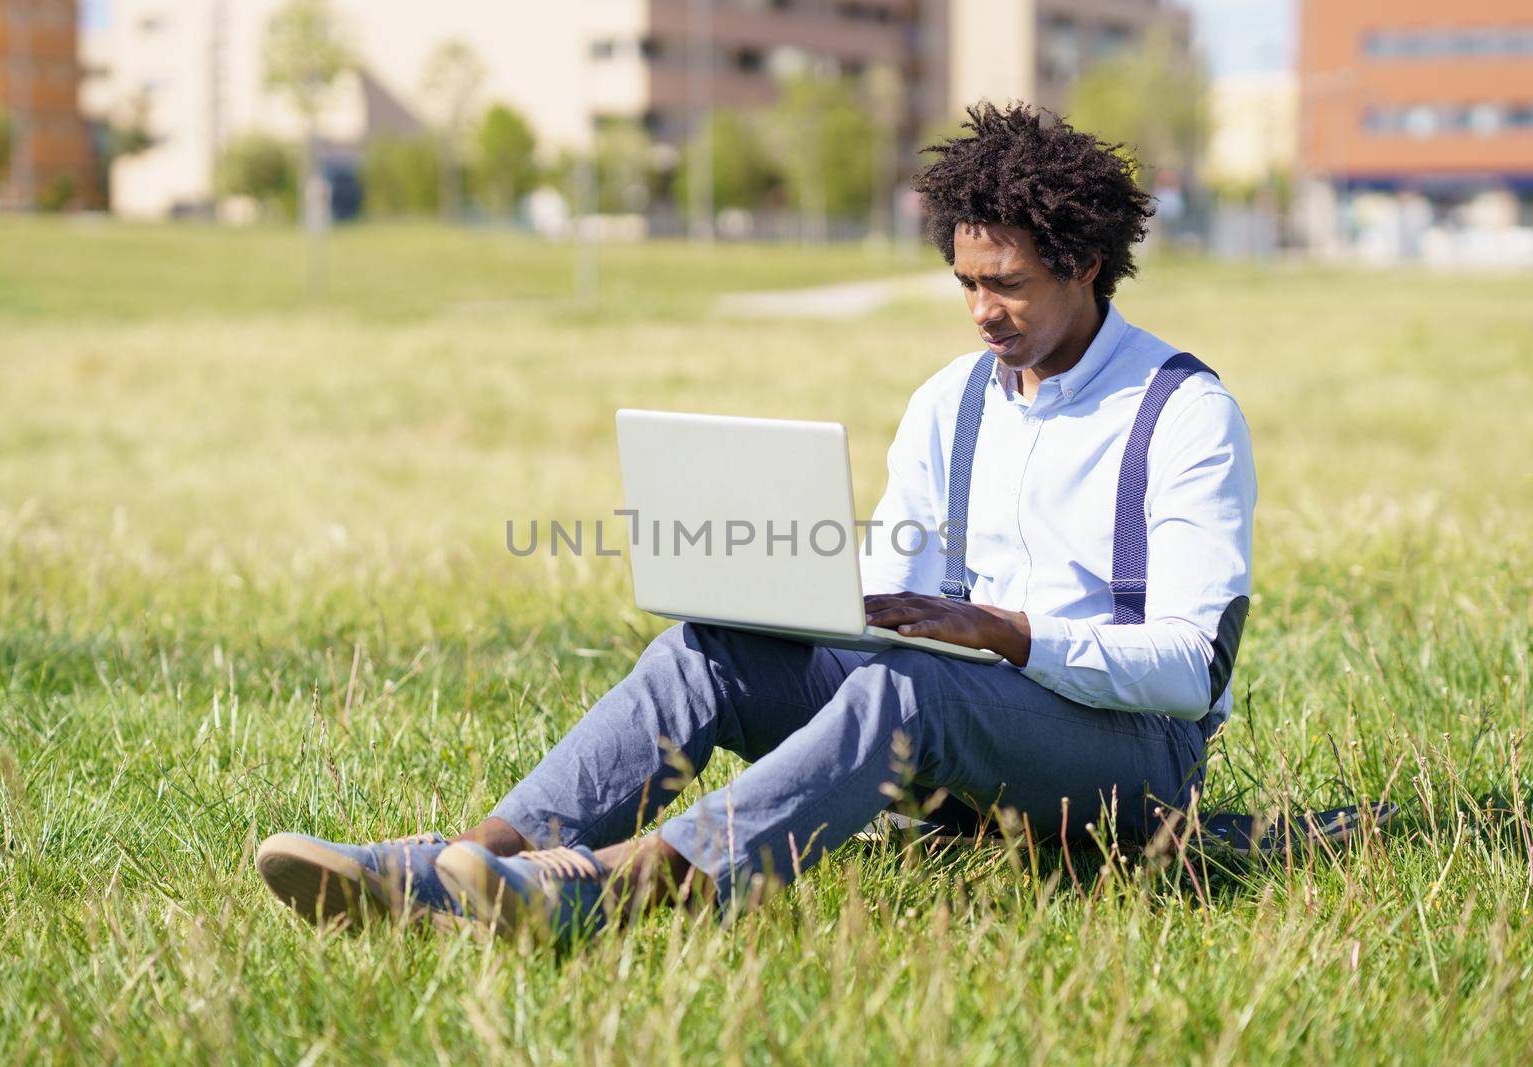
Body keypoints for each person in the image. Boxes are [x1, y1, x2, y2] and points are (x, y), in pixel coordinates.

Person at [254, 102, 1255, 940]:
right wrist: (813, 600)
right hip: (957, 742)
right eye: (965, 283)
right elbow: (896, 595)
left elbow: (1187, 669)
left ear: (1083, 263)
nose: (981, 311)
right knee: (706, 650)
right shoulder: (949, 400)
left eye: (1007, 285)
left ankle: (613, 888)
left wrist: (1006, 631)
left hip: (1129, 766)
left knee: (915, 692)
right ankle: (471, 865)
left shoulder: (1181, 412)